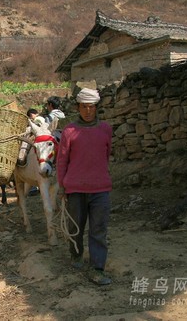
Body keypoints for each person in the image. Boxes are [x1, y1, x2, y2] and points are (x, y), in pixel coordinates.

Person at [56, 88, 113, 285]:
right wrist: (62, 186)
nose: (88, 111)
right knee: (75, 227)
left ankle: (98, 268)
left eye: (92, 107)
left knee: (98, 229)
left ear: (97, 107)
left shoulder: (105, 129)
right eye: (84, 107)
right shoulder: (69, 131)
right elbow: (62, 160)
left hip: (100, 189)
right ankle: (76, 255)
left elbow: (105, 156)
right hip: (75, 189)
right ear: (78, 108)